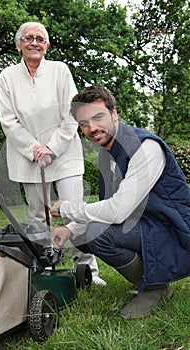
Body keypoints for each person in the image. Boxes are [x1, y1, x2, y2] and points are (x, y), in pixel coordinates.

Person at [51, 85, 190, 318]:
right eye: (84, 123)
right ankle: (150, 280)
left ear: (114, 113)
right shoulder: (109, 153)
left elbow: (117, 211)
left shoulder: (145, 147)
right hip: (145, 224)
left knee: (97, 232)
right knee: (86, 234)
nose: (91, 128)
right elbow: (108, 205)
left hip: (174, 229)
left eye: (98, 117)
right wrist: (70, 229)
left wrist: (67, 209)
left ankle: (156, 287)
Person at [0, 22, 106, 285]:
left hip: (65, 153)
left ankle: (87, 270)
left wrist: (52, 148)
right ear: (18, 44)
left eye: (40, 39)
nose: (34, 43)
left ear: (47, 45)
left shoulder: (60, 70)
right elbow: (8, 120)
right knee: (37, 215)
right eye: (28, 38)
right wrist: (34, 149)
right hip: (28, 158)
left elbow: (71, 113)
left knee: (74, 211)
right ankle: (45, 267)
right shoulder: (7, 76)